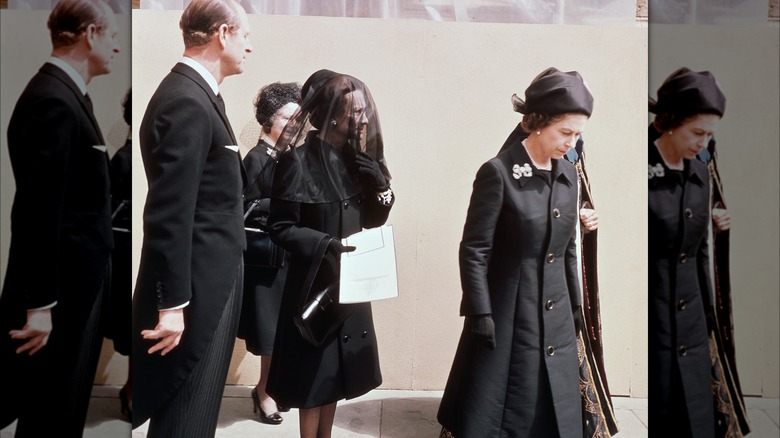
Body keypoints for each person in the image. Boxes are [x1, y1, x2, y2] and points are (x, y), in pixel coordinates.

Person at [437, 67, 598, 438]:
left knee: (552, 411)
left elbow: (568, 246)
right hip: (508, 315)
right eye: (565, 133)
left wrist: (575, 305)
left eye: (578, 135)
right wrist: (479, 311)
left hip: (556, 314)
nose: (572, 143)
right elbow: (474, 249)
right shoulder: (498, 173)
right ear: (538, 123)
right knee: (502, 412)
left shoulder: (569, 174)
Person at [131, 0, 252, 435]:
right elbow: (169, 213)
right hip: (195, 291)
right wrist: (171, 304)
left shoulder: (198, 95)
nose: (248, 48)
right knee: (185, 417)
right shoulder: (185, 100)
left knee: (196, 416)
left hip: (211, 280)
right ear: (222, 34)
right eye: (245, 36)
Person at [0, 0, 120, 435]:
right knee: (48, 411)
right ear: (90, 34)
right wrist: (40, 304)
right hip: (57, 295)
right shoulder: (53, 99)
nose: (116, 47)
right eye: (112, 36)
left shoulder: (65, 95)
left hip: (72, 287)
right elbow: (38, 210)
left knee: (60, 407)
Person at [265, 71, 394, 438]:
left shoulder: (358, 160)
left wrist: (380, 185)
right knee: (312, 379)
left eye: (365, 111)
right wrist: (325, 245)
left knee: (335, 376)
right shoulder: (298, 163)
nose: (364, 119)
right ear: (334, 114)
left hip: (350, 284)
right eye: (356, 112)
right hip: (313, 286)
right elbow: (280, 227)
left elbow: (374, 218)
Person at [648, 67, 749, 437]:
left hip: (691, 321)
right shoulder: (642, 170)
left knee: (696, 418)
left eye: (710, 135)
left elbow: (700, 252)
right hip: (654, 318)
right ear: (670, 122)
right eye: (697, 133)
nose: (704, 144)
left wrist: (710, 319)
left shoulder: (700, 173)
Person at [237, 81, 301, 425]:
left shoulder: (288, 158)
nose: (294, 126)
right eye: (287, 119)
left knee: (281, 329)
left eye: (297, 119)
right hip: (266, 259)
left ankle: (270, 387)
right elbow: (244, 206)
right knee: (269, 333)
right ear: (268, 120)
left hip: (287, 255)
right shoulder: (257, 158)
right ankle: (264, 392)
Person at [104, 88, 133, 420]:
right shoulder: (121, 160)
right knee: (125, 323)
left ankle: (131, 387)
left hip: (142, 251)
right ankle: (129, 389)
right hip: (121, 254)